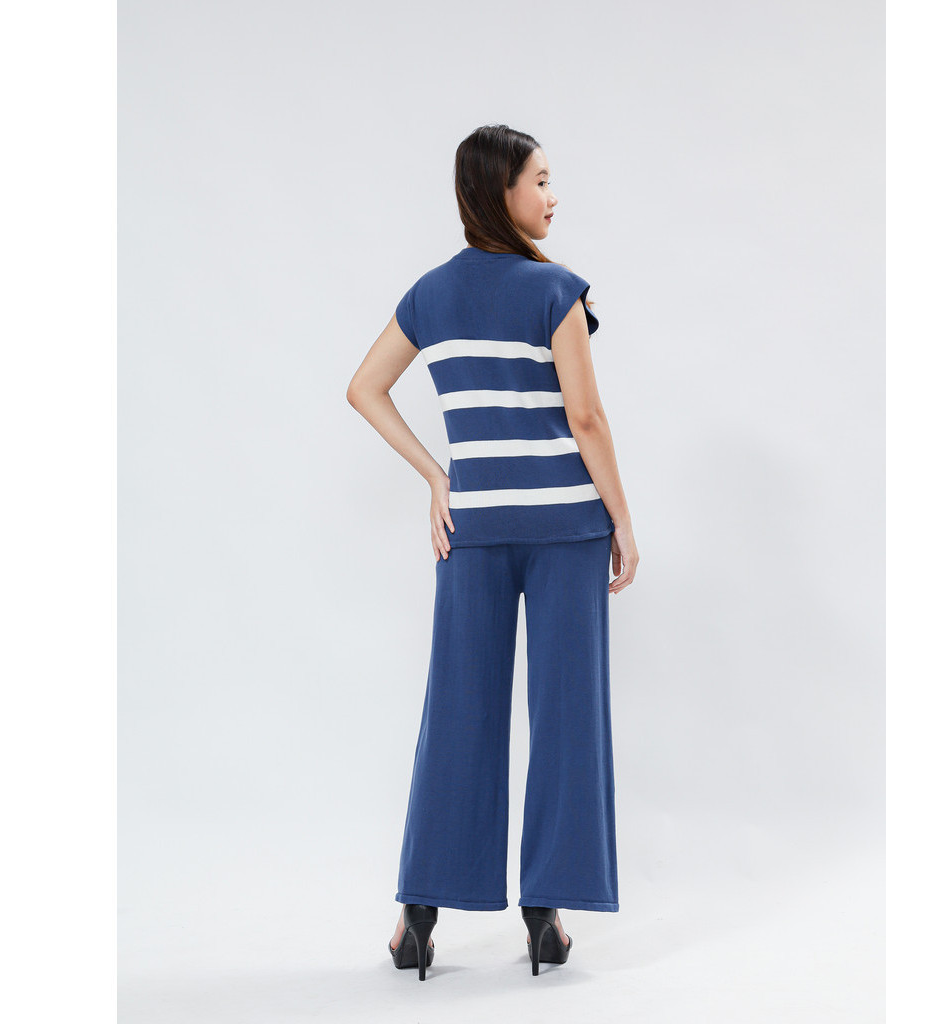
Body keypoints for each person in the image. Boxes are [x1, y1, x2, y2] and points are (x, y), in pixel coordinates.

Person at [346, 124, 638, 980]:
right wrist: (622, 520)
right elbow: (586, 419)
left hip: (472, 531)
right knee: (567, 717)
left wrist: (439, 477)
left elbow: (364, 388)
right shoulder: (556, 290)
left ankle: (417, 918)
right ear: (499, 192)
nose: (552, 196)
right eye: (540, 180)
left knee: (458, 714)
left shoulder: (431, 294)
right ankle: (546, 913)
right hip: (566, 530)